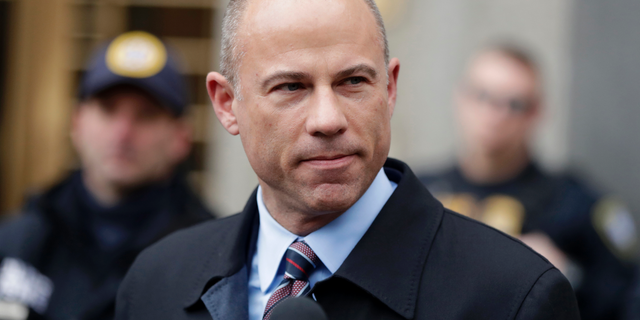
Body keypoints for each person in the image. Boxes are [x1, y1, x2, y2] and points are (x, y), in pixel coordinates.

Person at [115, 1, 579, 319]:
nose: (327, 118)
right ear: (226, 104)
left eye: (353, 81)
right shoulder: (156, 282)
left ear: (390, 89)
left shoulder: (514, 297)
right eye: (291, 87)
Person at [0, 31, 214, 320]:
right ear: (77, 122)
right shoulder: (19, 243)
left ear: (180, 137)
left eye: (146, 115)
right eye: (108, 109)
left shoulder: (211, 260)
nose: (122, 133)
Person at [419, 44, 638, 320]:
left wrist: (564, 277)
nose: (495, 115)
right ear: (459, 97)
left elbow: (625, 297)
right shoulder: (419, 193)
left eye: (514, 104)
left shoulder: (575, 204)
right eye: (482, 95)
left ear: (537, 112)